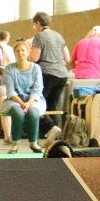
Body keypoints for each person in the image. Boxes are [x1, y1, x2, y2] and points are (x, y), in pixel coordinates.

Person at [28, 11, 71, 145]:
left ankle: (51, 127)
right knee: (53, 105)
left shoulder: (39, 36)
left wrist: (26, 57)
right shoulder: (59, 36)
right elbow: (67, 58)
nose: (34, 27)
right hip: (62, 75)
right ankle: (56, 139)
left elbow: (34, 58)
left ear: (38, 23)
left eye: (34, 24)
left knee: (36, 103)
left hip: (47, 73)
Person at [3, 39, 46, 153]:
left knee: (33, 112)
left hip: (33, 100)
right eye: (17, 51)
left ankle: (34, 143)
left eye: (23, 50)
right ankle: (15, 144)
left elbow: (37, 89)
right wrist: (22, 104)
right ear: (14, 53)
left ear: (28, 52)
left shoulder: (36, 68)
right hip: (14, 100)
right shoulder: (9, 69)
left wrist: (28, 103)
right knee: (18, 113)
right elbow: (11, 91)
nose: (20, 53)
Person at [69, 26, 100, 93]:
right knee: (91, 101)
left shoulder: (80, 42)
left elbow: (71, 61)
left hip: (78, 77)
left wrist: (78, 68)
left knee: (78, 100)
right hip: (94, 77)